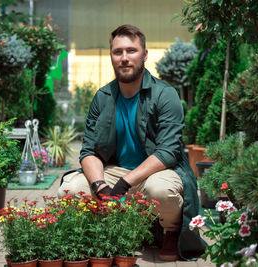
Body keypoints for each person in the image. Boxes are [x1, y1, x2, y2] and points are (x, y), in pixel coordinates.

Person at [57, 24, 205, 261]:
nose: (124, 58)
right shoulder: (102, 97)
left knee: (161, 191)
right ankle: (101, 233)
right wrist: (99, 185)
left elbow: (167, 152)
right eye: (118, 52)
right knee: (70, 189)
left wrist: (125, 184)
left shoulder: (165, 95)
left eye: (131, 51)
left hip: (159, 170)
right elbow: (88, 151)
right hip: (116, 169)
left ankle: (170, 231)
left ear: (144, 55)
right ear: (111, 56)